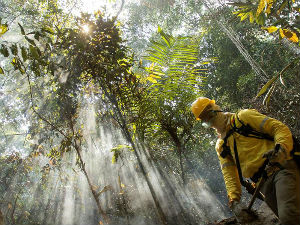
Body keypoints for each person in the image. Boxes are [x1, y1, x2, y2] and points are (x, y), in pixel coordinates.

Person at [191, 97, 300, 225]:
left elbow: (278, 128)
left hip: (281, 169)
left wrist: (281, 148)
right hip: (262, 184)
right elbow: (229, 174)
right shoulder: (221, 146)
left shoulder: (243, 117)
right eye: (204, 119)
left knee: (289, 217)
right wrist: (234, 201)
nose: (209, 119)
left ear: (215, 108)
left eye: (208, 114)